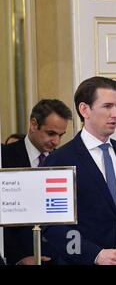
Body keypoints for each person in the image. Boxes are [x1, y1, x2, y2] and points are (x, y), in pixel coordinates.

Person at [43, 76, 116, 265]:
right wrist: (95, 255)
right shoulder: (59, 159)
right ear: (84, 110)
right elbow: (54, 228)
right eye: (107, 106)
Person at [1, 99, 73, 265]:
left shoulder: (65, 160)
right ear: (34, 124)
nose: (57, 142)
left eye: (61, 135)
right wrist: (17, 258)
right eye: (51, 133)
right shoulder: (4, 157)